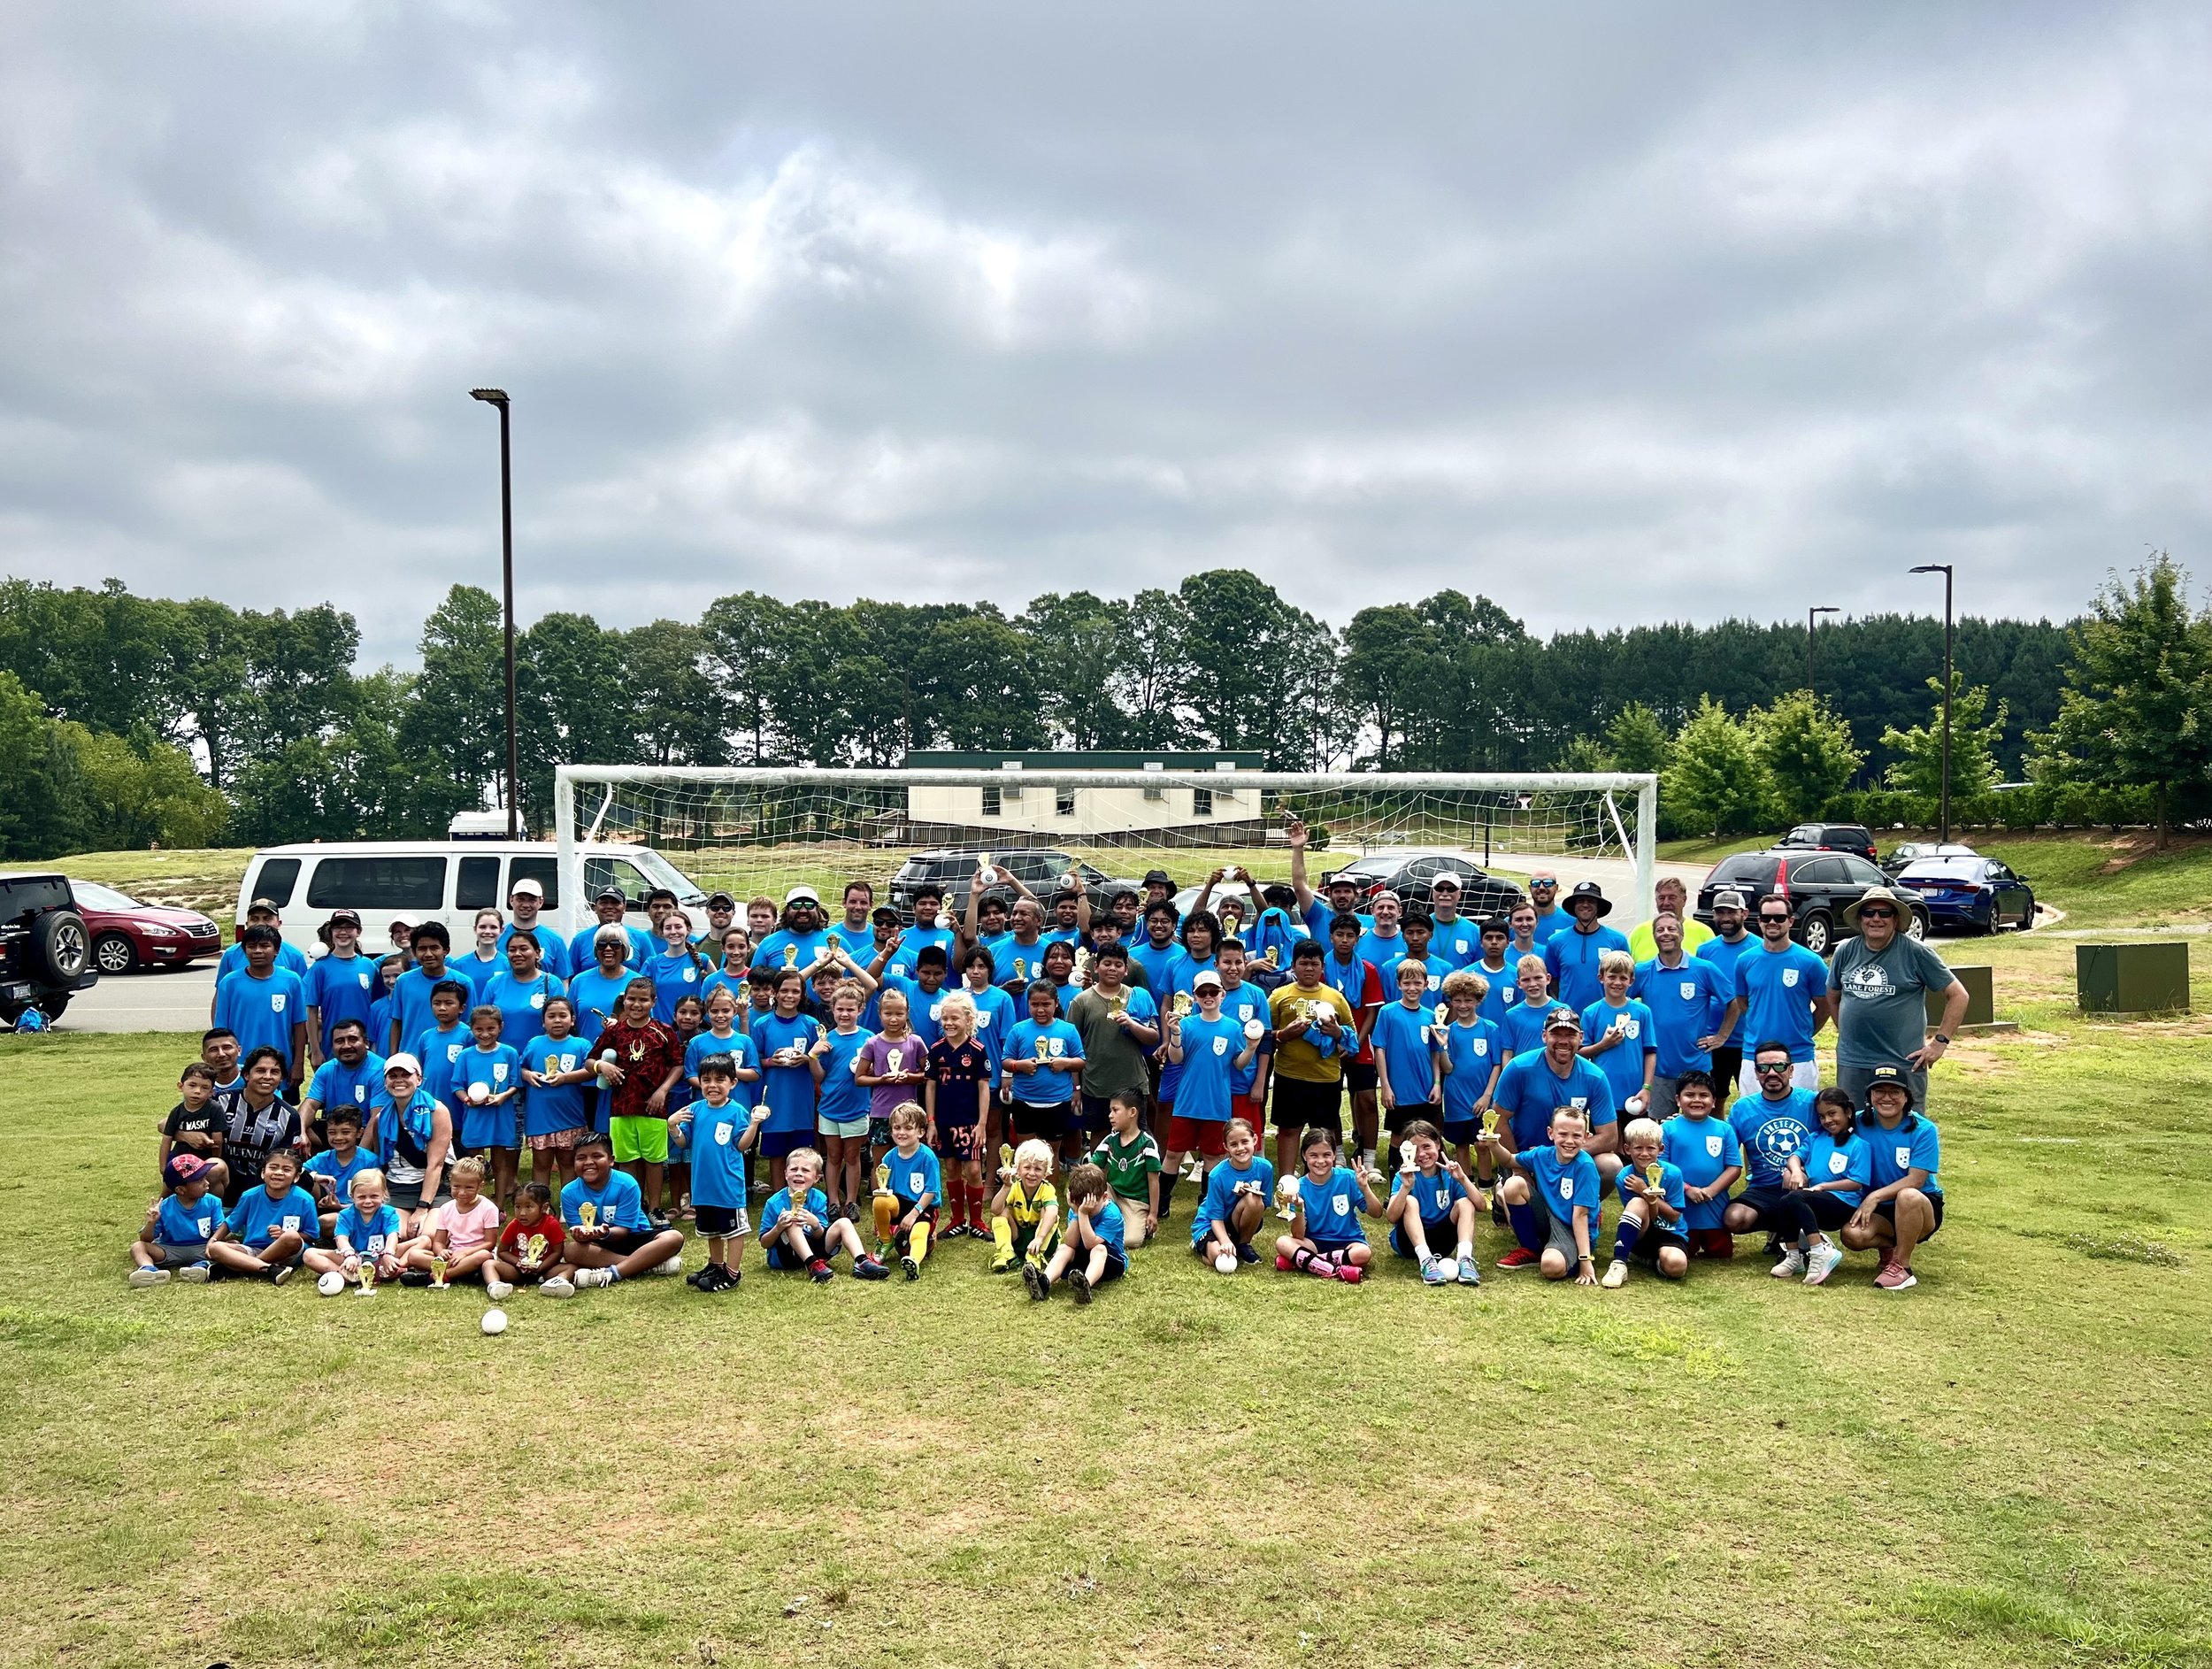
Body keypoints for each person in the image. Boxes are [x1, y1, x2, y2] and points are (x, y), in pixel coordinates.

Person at [1487, 1011, 1617, 1268]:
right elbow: (1499, 1119)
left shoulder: (1594, 1076)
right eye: (1557, 1033)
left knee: (1611, 1165)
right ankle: (1528, 1243)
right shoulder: (1519, 1068)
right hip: (1525, 1158)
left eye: (1570, 1034)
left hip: (1568, 1159)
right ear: (1544, 1036)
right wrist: (1519, 1169)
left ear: (1581, 1038)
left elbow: (1610, 1137)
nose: (1563, 1041)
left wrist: (1561, 1154)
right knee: (1512, 1186)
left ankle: (1586, 1209)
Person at [1829, 886, 1969, 1111]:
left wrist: (1939, 1043)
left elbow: (1958, 995)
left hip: (1903, 1063)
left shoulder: (1916, 952)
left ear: (1895, 919)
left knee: (1905, 1125)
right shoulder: (1845, 951)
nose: (1876, 919)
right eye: (1869, 913)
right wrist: (1846, 1031)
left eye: (1884, 913)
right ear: (1860, 919)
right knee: (1854, 1124)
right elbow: (1833, 995)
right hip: (1853, 1063)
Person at [1161, 969, 1258, 1217]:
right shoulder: (1186, 1024)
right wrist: (1175, 1035)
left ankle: (1206, 1206)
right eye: (1202, 993)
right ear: (1195, 997)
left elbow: (1239, 1064)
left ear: (1222, 995)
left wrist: (1250, 1048)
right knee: (1173, 1154)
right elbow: (1176, 1058)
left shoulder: (1233, 1028)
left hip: (1217, 1105)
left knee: (1212, 1157)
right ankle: (1161, 1204)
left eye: (1213, 992)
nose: (1208, 996)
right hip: (1187, 1103)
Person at [587, 976, 686, 1220]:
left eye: (643, 1000)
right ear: (624, 1001)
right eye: (631, 999)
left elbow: (677, 1065)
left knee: (654, 1160)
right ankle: (634, 1208)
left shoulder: (663, 1032)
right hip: (621, 1107)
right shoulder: (614, 1031)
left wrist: (663, 1090)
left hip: (654, 1108)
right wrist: (601, 1066)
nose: (637, 1004)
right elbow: (589, 1060)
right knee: (627, 1160)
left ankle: (655, 1209)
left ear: (654, 1002)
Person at [1839, 1065, 1944, 1291]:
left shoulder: (1924, 1129)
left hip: (1918, 1204)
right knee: (1852, 1236)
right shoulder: (1857, 1123)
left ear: (1906, 1096)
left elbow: (1916, 1180)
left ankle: (1902, 1267)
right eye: (1879, 1091)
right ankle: (1891, 1248)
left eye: (1895, 1092)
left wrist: (1874, 1196)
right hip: (1881, 1208)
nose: (1887, 1098)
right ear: (1869, 1095)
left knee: (1908, 1195)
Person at [671, 1052, 765, 1293]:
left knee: (733, 1231)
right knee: (711, 1229)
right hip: (703, 1185)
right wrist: (672, 1126)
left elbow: (742, 1145)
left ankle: (732, 1272)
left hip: (728, 1185)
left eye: (720, 1080)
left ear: (733, 1083)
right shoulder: (695, 1109)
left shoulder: (737, 1112)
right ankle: (716, 1265)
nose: (712, 1085)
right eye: (706, 1080)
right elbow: (683, 1142)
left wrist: (754, 1124)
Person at [1265, 940, 1357, 1179]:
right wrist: (1283, 1035)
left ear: (1322, 967)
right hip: (1289, 1076)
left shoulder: (1335, 997)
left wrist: (1337, 1033)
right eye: (1303, 963)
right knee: (1288, 1130)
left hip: (1326, 1078)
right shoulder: (1279, 996)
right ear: (1293, 965)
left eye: (1314, 964)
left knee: (1323, 1133)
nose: (1308, 968)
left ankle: (1320, 1183)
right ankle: (1286, 1182)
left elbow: (1352, 1036)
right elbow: (1264, 1035)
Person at [1720, 897, 1831, 1094]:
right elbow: (1743, 1003)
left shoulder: (1811, 962)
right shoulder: (1744, 961)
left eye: (1779, 918)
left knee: (1798, 1111)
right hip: (1755, 1054)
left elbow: (1825, 1007)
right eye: (1766, 918)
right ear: (1759, 921)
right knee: (1754, 1111)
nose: (1772, 922)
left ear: (1791, 921)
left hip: (1798, 1055)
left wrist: (1803, 1032)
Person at [1720, 1040, 1821, 1253]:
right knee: (1734, 1218)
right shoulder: (1742, 1108)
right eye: (1763, 1068)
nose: (1772, 1073)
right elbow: (1722, 1149)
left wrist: (1804, 1172)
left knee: (1798, 1194)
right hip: (1762, 1188)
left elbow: (1838, 1135)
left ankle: (1799, 1234)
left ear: (1791, 1070)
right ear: (1756, 1073)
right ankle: (1781, 1229)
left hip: (1806, 1187)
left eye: (1779, 1066)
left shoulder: (1813, 1103)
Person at [1630, 911, 1732, 1118]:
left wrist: (1722, 1036)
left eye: (1671, 929)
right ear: (1654, 936)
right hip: (1659, 1069)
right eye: (1660, 930)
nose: (1666, 933)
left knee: (1698, 1123)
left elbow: (1733, 1002)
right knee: (1660, 1127)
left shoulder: (1703, 969)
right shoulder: (1642, 971)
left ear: (1682, 934)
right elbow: (1621, 1002)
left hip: (1696, 1066)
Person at [1486, 1106, 1601, 1284]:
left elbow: (1580, 1215)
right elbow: (1509, 1160)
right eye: (1563, 1134)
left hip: (1570, 1230)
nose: (1569, 1141)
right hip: (1547, 1216)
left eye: (1576, 1136)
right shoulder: (1541, 1154)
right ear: (1550, 1133)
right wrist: (1493, 1144)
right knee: (1513, 1185)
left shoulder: (1585, 1166)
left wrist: (1585, 1260)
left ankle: (1562, 1254)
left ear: (1586, 1137)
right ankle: (1531, 1250)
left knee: (1551, 1266)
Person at [1065, 943, 1160, 1156]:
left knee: (1135, 1136)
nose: (1112, 969)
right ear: (1096, 967)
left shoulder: (1138, 996)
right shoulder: (1082, 1001)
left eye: (1118, 965)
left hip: (1132, 1082)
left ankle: (1134, 1176)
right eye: (1107, 963)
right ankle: (1099, 1176)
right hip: (1096, 1083)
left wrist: (1132, 1024)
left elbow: (1153, 1037)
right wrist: (1076, 1087)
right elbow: (1072, 1048)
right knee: (1099, 1136)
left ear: (1126, 970)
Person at [559, 1133, 687, 1288]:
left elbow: (623, 1231)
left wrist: (604, 1233)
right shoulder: (568, 1192)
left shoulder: (626, 1183)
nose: (589, 1162)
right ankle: (647, 1265)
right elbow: (579, 1235)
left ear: (611, 1160)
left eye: (597, 1156)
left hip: (635, 1237)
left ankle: (612, 1273)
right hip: (602, 1245)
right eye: (581, 1158)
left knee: (673, 1237)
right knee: (571, 1250)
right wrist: (582, 1235)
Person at [1769, 1088, 1865, 1286]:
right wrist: (1796, 1171)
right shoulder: (1815, 1138)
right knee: (1786, 1200)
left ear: (1848, 1112)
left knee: (1795, 1198)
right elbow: (1794, 1156)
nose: (1827, 1120)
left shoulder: (1859, 1145)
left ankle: (1820, 1253)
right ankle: (1794, 1256)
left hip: (1844, 1203)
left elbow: (1856, 1183)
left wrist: (1823, 1186)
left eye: (1832, 1113)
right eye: (1822, 1116)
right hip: (1815, 1200)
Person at [1320, 912, 1386, 1173]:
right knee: (1329, 1102)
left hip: (1359, 1044)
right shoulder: (1321, 968)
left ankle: (1369, 1161)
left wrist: (1354, 1043)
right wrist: (1337, 1041)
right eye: (1340, 935)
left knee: (1368, 1099)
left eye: (1350, 936)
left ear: (1357, 939)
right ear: (1331, 937)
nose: (1345, 940)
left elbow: (1371, 1012)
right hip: (1329, 1046)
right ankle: (1336, 1156)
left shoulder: (1368, 970)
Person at [759, 1146, 886, 1281]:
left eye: (805, 1170)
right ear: (785, 1174)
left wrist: (815, 1224)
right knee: (793, 1222)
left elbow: (820, 1235)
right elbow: (764, 1243)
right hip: (786, 1256)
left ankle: (862, 1262)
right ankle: (812, 1265)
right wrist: (778, 1227)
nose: (798, 1173)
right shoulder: (774, 1202)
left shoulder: (819, 1198)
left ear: (816, 1178)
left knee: (844, 1222)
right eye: (794, 1169)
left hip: (816, 1251)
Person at [925, 992, 993, 1240]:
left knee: (973, 1170)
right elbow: (930, 1086)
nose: (949, 1023)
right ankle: (957, 1220)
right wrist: (931, 1122)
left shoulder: (977, 1050)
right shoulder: (936, 1050)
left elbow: (983, 1088)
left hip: (969, 1122)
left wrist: (982, 1124)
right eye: (945, 1018)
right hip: (944, 1121)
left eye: (955, 1018)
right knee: (951, 1168)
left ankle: (977, 1221)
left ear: (968, 1019)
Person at [1275, 1126, 1381, 1282]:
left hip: (1348, 1243)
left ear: (1334, 1155)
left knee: (1363, 1253)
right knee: (1282, 1242)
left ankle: (1307, 1261)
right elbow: (1298, 1235)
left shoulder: (1348, 1177)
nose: (1320, 1161)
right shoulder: (1298, 1187)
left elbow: (1377, 1213)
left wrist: (1365, 1188)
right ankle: (1335, 1270)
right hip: (1313, 1243)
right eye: (1313, 1155)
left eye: (1326, 1155)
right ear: (1304, 1155)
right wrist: (1299, 1208)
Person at [1383, 1119, 1482, 1286]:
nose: (1421, 1154)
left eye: (1426, 1146)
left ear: (1438, 1144)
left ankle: (1465, 1259)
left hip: (1443, 1243)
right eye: (1415, 1149)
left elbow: (1481, 1205)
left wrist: (1463, 1179)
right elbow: (1391, 1217)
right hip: (1409, 1243)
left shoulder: (1450, 1174)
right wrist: (1405, 1188)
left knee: (1466, 1203)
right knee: (1410, 1201)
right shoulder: (1403, 1176)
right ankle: (1426, 1261)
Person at [211, 925, 308, 1091]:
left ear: (276, 950)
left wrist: (298, 1063)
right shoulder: (229, 982)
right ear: (244, 950)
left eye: (264, 946)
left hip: (279, 1064)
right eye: (251, 946)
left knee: (278, 1106)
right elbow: (221, 1032)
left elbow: (299, 1025)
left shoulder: (292, 981)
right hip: (240, 1066)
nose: (257, 951)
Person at [1601, 1116, 1689, 1288]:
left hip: (1670, 1232)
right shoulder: (1625, 1177)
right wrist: (1646, 1198)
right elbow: (1647, 1215)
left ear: (1660, 1149)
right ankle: (1619, 1263)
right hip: (1643, 1230)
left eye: (1650, 1148)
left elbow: (1674, 1216)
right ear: (1627, 1149)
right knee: (1637, 1203)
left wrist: (1645, 1192)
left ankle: (1651, 1260)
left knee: (1677, 1267)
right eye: (1638, 1148)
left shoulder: (1673, 1173)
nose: (1644, 1153)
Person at [1662, 1070, 1742, 1258]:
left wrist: (1711, 1191)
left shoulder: (1724, 1129)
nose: (1697, 1100)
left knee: (1721, 1253)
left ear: (1714, 1101)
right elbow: (1661, 1167)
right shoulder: (1667, 1129)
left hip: (1714, 1206)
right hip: (1681, 1206)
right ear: (1678, 1100)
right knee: (1684, 1251)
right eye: (1690, 1095)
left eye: (1704, 1095)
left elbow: (1734, 1168)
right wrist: (1687, 1189)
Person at [812, 980, 875, 1218]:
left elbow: (874, 1071)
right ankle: (832, 1201)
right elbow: (820, 1076)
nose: (845, 1014)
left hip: (857, 1108)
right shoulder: (827, 1040)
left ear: (861, 1009)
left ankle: (851, 1202)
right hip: (830, 1107)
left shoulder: (869, 1039)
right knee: (833, 1156)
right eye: (840, 1009)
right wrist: (813, 1056)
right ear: (832, 1009)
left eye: (850, 1009)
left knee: (852, 1156)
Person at [1371, 958, 1445, 1163]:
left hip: (1425, 1090)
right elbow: (1379, 1050)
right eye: (1407, 983)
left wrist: (1437, 1083)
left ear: (1426, 984)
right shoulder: (1388, 1013)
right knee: (1399, 1135)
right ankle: (1396, 1174)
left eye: (1417, 983)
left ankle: (1430, 1174)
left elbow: (1435, 1052)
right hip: (1400, 1091)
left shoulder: (1431, 1016)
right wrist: (1385, 1086)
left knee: (1428, 1134)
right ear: (1398, 984)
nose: (1412, 988)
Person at [204, 1147, 314, 1283]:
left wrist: (283, 1234)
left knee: (291, 1236)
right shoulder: (250, 1195)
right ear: (263, 1173)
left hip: (286, 1253)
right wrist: (213, 1240)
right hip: (253, 1249)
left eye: (286, 1170)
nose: (278, 1173)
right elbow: (230, 1223)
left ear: (296, 1177)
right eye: (273, 1168)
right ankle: (269, 1269)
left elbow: (311, 1235)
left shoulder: (305, 1199)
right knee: (216, 1248)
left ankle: (240, 1267)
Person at [518, 996, 595, 1192]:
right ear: (543, 1022)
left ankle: (567, 1204)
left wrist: (565, 1078)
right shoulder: (534, 1043)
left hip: (570, 1117)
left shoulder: (581, 1045)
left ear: (573, 1020)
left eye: (563, 1015)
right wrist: (527, 1075)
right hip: (540, 1118)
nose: (557, 1020)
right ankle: (540, 1202)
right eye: (551, 1016)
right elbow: (520, 1067)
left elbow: (591, 1071)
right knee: (541, 1163)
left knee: (568, 1163)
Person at [370, 1053, 453, 1228]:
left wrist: (422, 1208)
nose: (399, 1080)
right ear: (385, 1082)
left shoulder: (437, 1112)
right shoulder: (380, 1119)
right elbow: (381, 1161)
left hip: (435, 1188)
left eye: (406, 1075)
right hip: (397, 1188)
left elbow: (436, 1164)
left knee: (428, 1234)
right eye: (393, 1076)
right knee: (396, 1234)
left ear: (419, 1079)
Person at [1025, 1163, 1126, 1304]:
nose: (1086, 1209)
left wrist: (1083, 1214)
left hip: (1110, 1263)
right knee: (1064, 1248)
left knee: (1099, 1249)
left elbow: (1091, 1244)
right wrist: (1077, 1213)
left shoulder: (1111, 1213)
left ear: (1104, 1197)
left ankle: (1086, 1286)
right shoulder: (1077, 1209)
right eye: (1080, 1206)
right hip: (1082, 1261)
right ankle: (1044, 1283)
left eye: (1090, 1206)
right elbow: (1071, 1243)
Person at [1003, 980, 1085, 1153]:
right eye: (1035, 1005)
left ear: (1056, 1003)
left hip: (1057, 1101)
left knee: (1050, 1154)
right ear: (1028, 1004)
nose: (1040, 1010)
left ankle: (1054, 1173)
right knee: (1025, 1153)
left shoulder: (1068, 1030)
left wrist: (1065, 1063)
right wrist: (1019, 1065)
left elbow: (1080, 1061)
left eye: (1046, 1004)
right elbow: (1006, 1061)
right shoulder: (1018, 1030)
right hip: (1024, 1100)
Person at [216, 1047, 305, 1204]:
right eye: (260, 1071)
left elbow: (289, 1161)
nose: (267, 1077)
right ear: (246, 1075)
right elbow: (180, 1122)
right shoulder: (220, 1102)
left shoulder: (289, 1116)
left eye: (274, 1072)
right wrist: (184, 1134)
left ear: (281, 1078)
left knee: (306, 1182)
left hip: (262, 1188)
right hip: (222, 1184)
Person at [1436, 971, 1502, 1184]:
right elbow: (1448, 1069)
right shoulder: (1449, 1031)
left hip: (1481, 1098)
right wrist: (1442, 1046)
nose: (1463, 1005)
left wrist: (1487, 1095)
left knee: (1482, 1143)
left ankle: (1485, 1185)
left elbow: (1497, 1064)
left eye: (1468, 1000)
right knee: (1461, 1144)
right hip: (1456, 1098)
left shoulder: (1490, 1029)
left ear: (1478, 1000)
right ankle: (1466, 1186)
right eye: (1457, 1000)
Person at [455, 1004, 523, 1205]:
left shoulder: (509, 1053)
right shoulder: (466, 1056)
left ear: (501, 1027)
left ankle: (498, 1206)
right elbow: (457, 1085)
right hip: (475, 1116)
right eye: (479, 1029)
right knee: (474, 1163)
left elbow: (515, 1083)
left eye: (491, 1028)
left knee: (500, 1161)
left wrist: (503, 1096)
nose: (485, 1034)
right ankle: (476, 1204)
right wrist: (466, 1099)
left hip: (500, 1114)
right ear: (471, 1029)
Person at [1187, 1117, 1274, 1270]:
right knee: (1221, 1259)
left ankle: (1243, 1244)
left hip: (1235, 1220)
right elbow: (1215, 1217)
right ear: (1226, 1147)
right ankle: (1202, 1245)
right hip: (1211, 1223)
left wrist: (1247, 1195)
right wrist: (1225, 1241)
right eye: (1234, 1144)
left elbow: (1264, 1204)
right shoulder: (1217, 1175)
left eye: (1245, 1141)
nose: (1240, 1148)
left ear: (1255, 1139)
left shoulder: (1265, 1168)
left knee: (1254, 1199)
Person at [1578, 950, 1655, 1119]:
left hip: (1635, 1093)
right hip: (1603, 1091)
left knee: (1634, 1136)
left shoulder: (1642, 1012)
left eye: (1623, 978)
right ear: (1601, 977)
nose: (1617, 982)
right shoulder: (1591, 1013)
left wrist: (1647, 1087)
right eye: (1612, 977)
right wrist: (1604, 1044)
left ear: (1631, 981)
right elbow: (1580, 1053)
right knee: (1607, 1136)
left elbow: (1650, 1052)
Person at [402, 1155, 500, 1287]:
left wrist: (465, 1253)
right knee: (414, 1255)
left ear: (480, 1186)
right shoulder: (446, 1208)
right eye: (456, 1186)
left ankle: (440, 1276)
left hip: (474, 1255)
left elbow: (490, 1243)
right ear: (450, 1183)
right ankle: (461, 1272)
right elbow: (438, 1241)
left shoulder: (488, 1208)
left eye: (469, 1188)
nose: (462, 1192)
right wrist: (441, 1251)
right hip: (452, 1256)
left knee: (484, 1255)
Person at [306, 1168, 408, 1292]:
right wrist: (349, 1254)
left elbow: (393, 1235)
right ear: (352, 1196)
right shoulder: (345, 1215)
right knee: (309, 1254)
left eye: (374, 1196)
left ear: (383, 1194)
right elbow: (341, 1238)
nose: (368, 1201)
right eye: (362, 1197)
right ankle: (348, 1275)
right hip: (355, 1258)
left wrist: (388, 1253)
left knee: (423, 1240)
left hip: (381, 1257)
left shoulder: (390, 1213)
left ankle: (394, 1268)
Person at [128, 1153, 223, 1285]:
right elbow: (146, 1239)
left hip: (204, 1248)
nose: (207, 1183)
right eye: (199, 1180)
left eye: (205, 1177)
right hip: (170, 1249)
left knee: (230, 1246)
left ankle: (202, 1265)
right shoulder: (165, 1207)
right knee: (138, 1247)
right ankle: (149, 1269)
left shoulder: (213, 1202)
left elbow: (220, 1232)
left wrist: (218, 1241)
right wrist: (151, 1223)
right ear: (181, 1190)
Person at [1696, 888, 1756, 1093]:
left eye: (1731, 912)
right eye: (1720, 912)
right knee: (1713, 1100)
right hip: (1711, 1041)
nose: (1725, 918)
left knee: (1752, 1099)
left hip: (1749, 1041)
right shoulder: (1705, 950)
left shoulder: (1758, 948)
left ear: (1744, 914)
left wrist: (1724, 1034)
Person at [875, 1101, 942, 1281]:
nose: (901, 1132)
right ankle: (885, 1240)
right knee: (879, 1200)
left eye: (908, 1128)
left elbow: (931, 1191)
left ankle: (913, 1261)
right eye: (897, 1127)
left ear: (921, 1132)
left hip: (923, 1206)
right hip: (899, 1203)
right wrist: (883, 1220)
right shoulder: (888, 1158)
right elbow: (885, 1190)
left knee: (918, 1235)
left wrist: (914, 1214)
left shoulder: (927, 1157)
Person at [302, 910, 378, 1067]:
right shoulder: (320, 968)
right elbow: (311, 1011)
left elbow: (377, 1006)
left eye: (349, 927)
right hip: (332, 1046)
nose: (343, 932)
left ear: (358, 931)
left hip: (364, 1044)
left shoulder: (368, 966)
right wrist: (315, 1050)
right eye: (338, 928)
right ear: (331, 932)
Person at [1089, 1088, 1162, 1248]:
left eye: (1115, 1110)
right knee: (1093, 1186)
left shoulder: (1147, 1144)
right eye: (1110, 1111)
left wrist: (1153, 1213)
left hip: (1136, 1201)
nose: (1110, 1115)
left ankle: (1139, 1224)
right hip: (1111, 1194)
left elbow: (1153, 1181)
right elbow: (1092, 1168)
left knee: (1131, 1241)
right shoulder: (1109, 1140)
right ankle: (1105, 1221)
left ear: (1132, 1112)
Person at [1543, 882, 1631, 1014]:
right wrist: (1562, 1010)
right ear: (1574, 906)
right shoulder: (1556, 941)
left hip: (1606, 1016)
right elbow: (1551, 982)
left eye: (1591, 901)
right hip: (1569, 1018)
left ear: (1598, 906)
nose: (1585, 905)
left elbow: (1626, 980)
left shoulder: (1618, 940)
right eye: (1580, 901)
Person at [156, 1061, 229, 1198]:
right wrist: (163, 1166)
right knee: (168, 1189)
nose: (197, 1091)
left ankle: (216, 1205)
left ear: (212, 1092)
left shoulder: (214, 1109)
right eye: (192, 1085)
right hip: (180, 1159)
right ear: (181, 1086)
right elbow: (167, 1139)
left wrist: (215, 1158)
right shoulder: (177, 1112)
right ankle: (161, 1209)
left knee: (211, 1180)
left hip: (204, 1160)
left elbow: (218, 1140)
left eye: (204, 1088)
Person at [988, 1138, 1061, 1275]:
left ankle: (1036, 1256)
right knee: (1003, 1212)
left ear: (1046, 1172)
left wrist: (1039, 1238)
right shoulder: (1014, 1187)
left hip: (1042, 1240)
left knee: (1049, 1213)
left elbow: (1053, 1212)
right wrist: (1006, 1187)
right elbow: (995, 1209)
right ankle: (1007, 1253)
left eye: (1038, 1169)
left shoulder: (1047, 1189)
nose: (1032, 1173)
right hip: (1019, 1236)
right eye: (1027, 1168)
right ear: (1018, 1169)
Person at [489, 1181, 575, 1297]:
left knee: (571, 1267)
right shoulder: (514, 1225)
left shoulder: (551, 1224)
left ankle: (557, 1283)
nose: (522, 1213)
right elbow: (502, 1251)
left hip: (545, 1271)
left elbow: (557, 1252)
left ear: (544, 1207)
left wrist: (541, 1268)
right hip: (517, 1271)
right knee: (489, 1264)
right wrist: (518, 1263)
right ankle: (495, 1286)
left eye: (529, 1207)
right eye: (518, 1207)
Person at [302, 1107, 378, 1234]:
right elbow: (297, 1172)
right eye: (332, 1132)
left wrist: (340, 1207)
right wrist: (315, 1177)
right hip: (325, 1209)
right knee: (305, 1179)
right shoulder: (322, 1158)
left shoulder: (369, 1161)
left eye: (345, 1132)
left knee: (326, 1222)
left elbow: (377, 1199)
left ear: (359, 1133)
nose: (338, 1137)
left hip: (357, 1211)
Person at [486, 932, 562, 1057]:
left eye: (523, 949)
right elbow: (483, 1022)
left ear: (537, 953)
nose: (517, 954)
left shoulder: (552, 983)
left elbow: (560, 1025)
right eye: (512, 950)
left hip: (540, 1058)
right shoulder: (494, 984)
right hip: (502, 1059)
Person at [410, 980, 472, 1119]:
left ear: (462, 1008)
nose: (442, 1008)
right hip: (430, 1104)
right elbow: (420, 1069)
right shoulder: (426, 1036)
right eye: (437, 1003)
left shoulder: (468, 1035)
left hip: (458, 1106)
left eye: (448, 1003)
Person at [213, 899, 311, 982]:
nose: (261, 923)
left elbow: (303, 993)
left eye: (267, 918)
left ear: (279, 923)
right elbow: (221, 993)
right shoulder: (231, 954)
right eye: (254, 919)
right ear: (247, 924)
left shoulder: (294, 955)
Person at [643, 909, 712, 1023]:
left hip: (693, 1029)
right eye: (668, 928)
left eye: (678, 927)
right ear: (662, 932)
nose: (673, 932)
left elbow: (718, 991)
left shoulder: (702, 960)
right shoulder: (652, 963)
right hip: (662, 1030)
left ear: (688, 930)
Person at [1624, 877, 1715, 962]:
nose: (1666, 903)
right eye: (1661, 898)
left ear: (1684, 900)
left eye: (1672, 898)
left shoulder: (1704, 933)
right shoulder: (1639, 932)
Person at [570, 884, 653, 973]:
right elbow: (569, 976)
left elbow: (652, 972)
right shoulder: (580, 940)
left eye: (615, 903)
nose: (609, 906)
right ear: (595, 908)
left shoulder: (641, 938)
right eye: (604, 903)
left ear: (624, 907)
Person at [498, 878, 571, 979]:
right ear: (511, 900)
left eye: (532, 900)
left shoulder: (555, 940)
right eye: (520, 899)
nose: (525, 905)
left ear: (541, 902)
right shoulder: (498, 937)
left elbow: (563, 980)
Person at [756, 886, 832, 977]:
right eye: (796, 905)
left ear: (817, 910)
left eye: (809, 905)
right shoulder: (767, 944)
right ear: (787, 910)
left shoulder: (834, 940)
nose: (803, 910)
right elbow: (753, 982)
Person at [1425, 873, 1483, 970]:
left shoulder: (1474, 932)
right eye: (1439, 889)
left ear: (1459, 894)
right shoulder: (1420, 928)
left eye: (1451, 889)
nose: (1445, 894)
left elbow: (1479, 969)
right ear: (1432, 893)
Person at [454, 909, 508, 1003]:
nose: (487, 931)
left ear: (501, 930)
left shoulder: (507, 964)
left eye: (493, 927)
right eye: (482, 927)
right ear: (475, 929)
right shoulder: (459, 965)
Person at [1525, 872, 1568, 942]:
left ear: (1556, 887)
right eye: (1536, 883)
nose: (1541, 887)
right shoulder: (1514, 923)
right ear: (1530, 888)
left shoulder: (1572, 922)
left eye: (1548, 883)